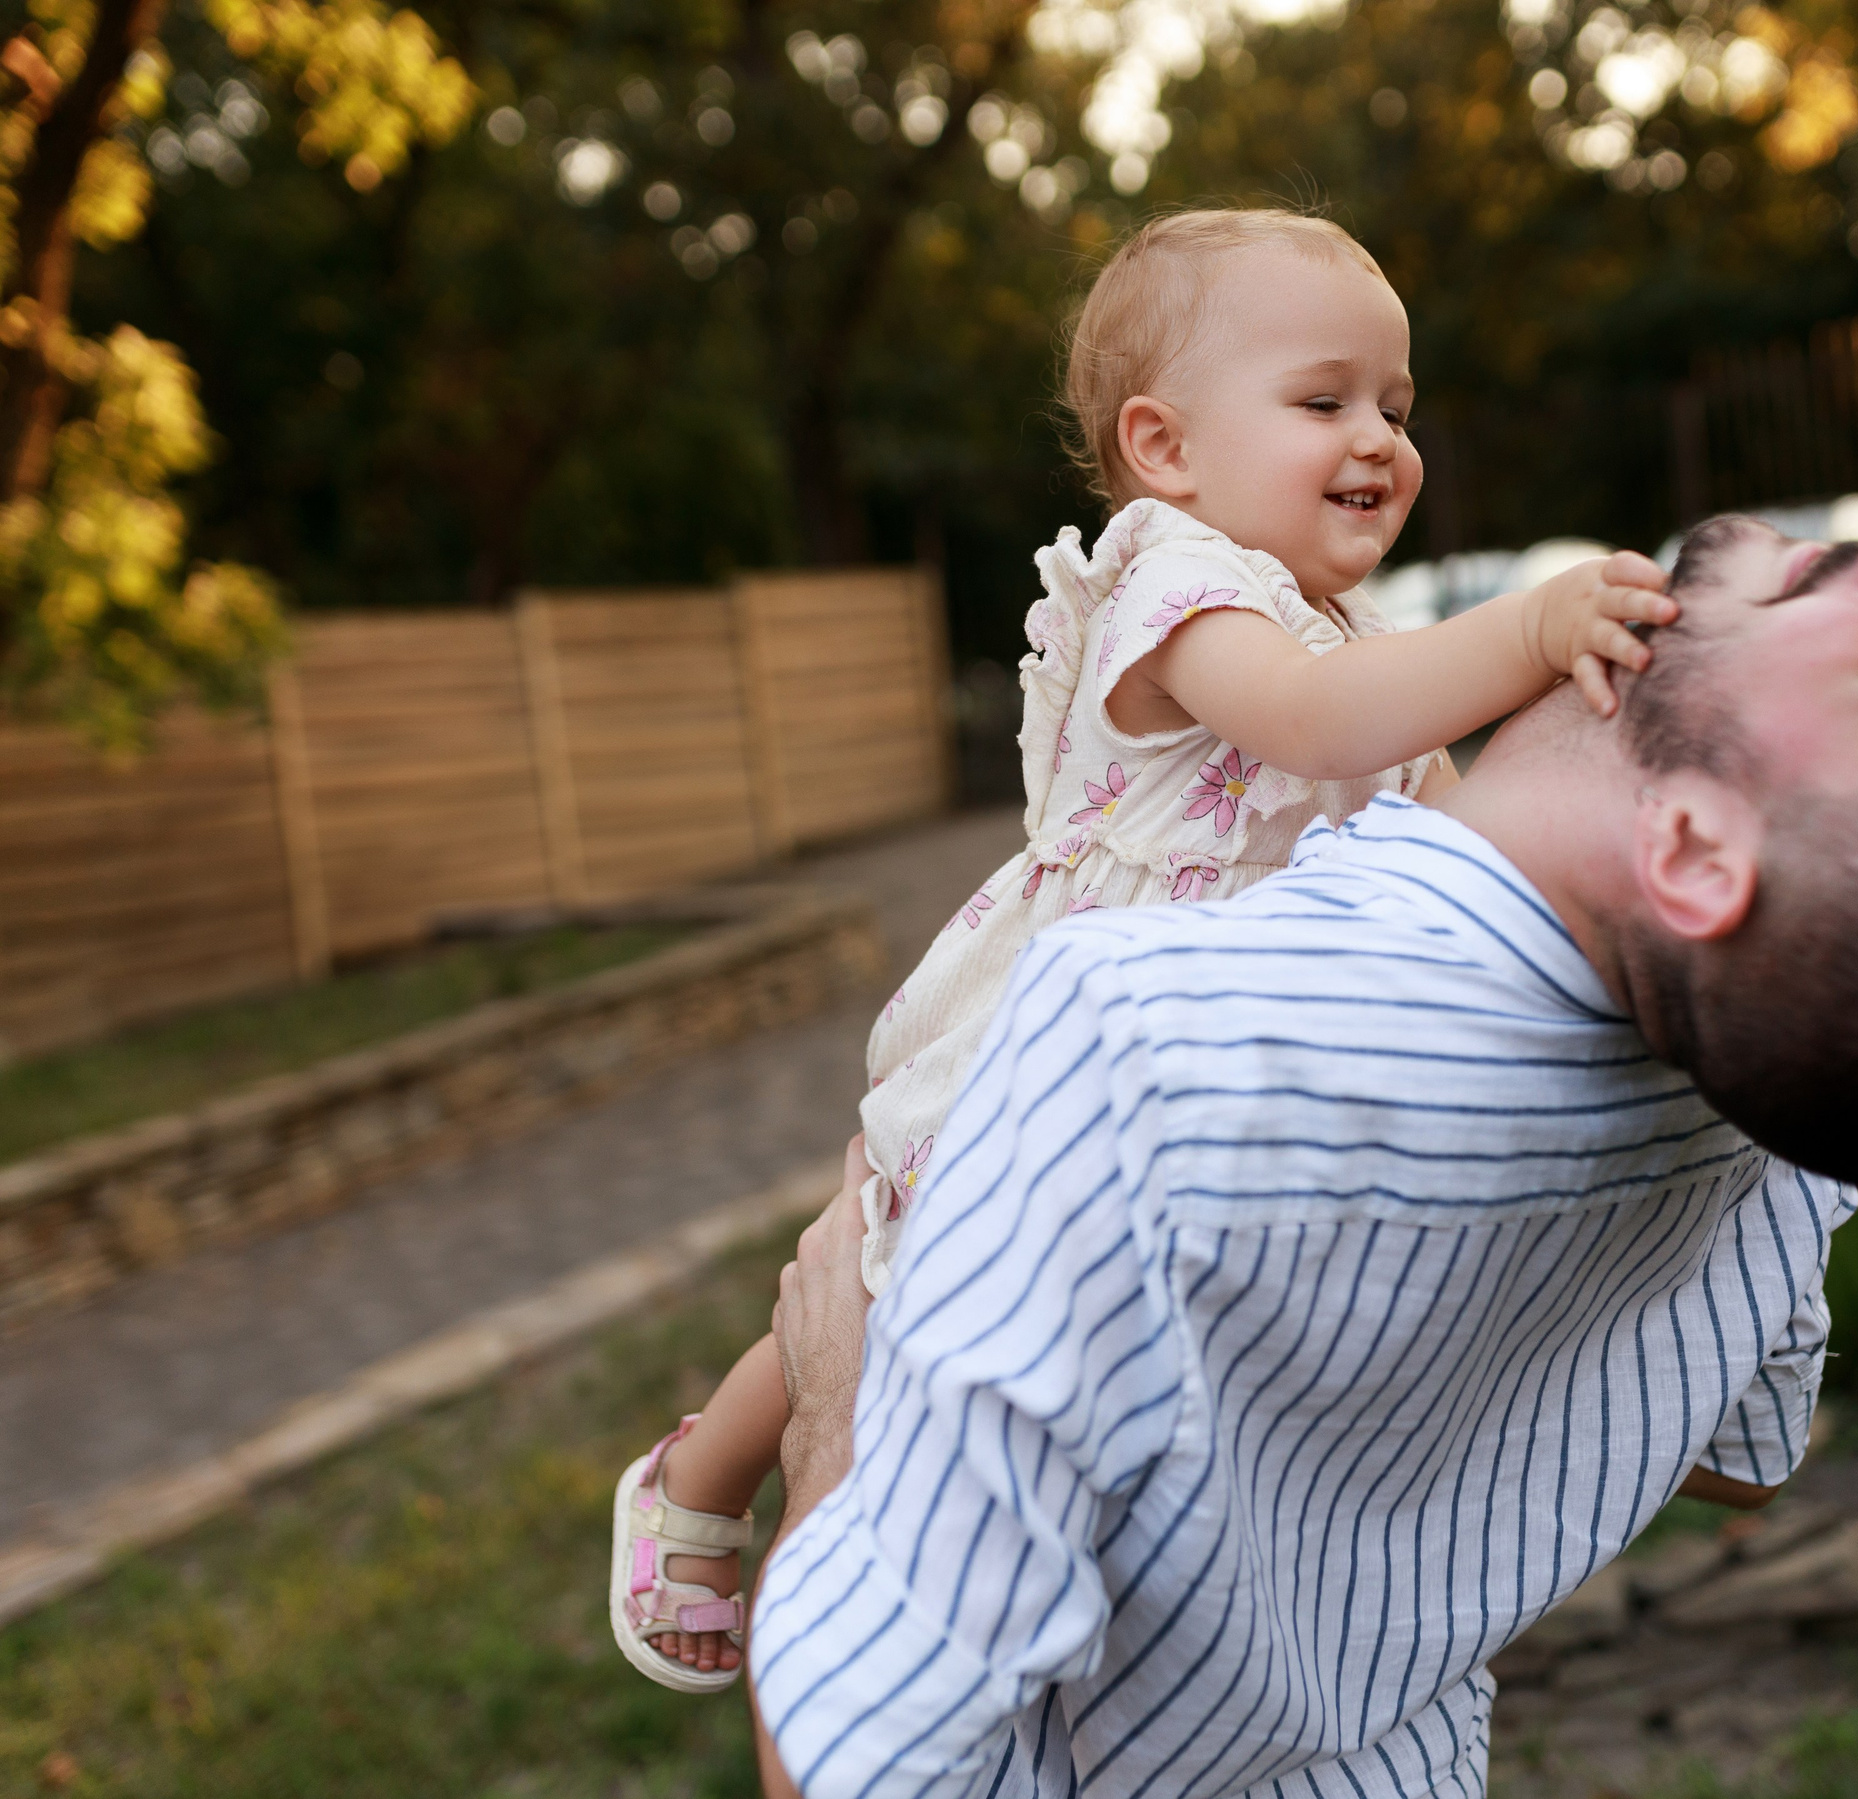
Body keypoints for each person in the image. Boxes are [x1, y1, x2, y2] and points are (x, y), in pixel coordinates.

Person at [745, 510, 1858, 1798]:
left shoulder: (1136, 1038)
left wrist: (835, 1433)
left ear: (1697, 855)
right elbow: (1740, 1464)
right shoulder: (1760, 1118)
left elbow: (850, 1764)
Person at [607, 207, 1677, 1690]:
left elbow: (1452, 825)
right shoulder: (1178, 590)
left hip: (1209, 1075)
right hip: (1067, 1035)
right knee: (898, 1280)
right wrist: (1529, 628)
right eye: (1324, 402)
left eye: (1395, 405)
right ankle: (703, 1477)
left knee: (1100, 1352)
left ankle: (1064, 1588)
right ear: (1166, 450)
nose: (1376, 437)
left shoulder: (1334, 621)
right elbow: (1320, 730)